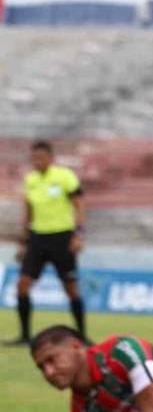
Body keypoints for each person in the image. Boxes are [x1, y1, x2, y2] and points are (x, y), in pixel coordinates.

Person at [9, 141, 86, 346]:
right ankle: (25, 336)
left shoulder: (64, 177)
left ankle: (82, 335)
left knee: (71, 287)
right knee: (22, 286)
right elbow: (28, 211)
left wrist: (78, 235)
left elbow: (78, 205)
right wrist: (23, 241)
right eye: (34, 158)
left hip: (62, 238)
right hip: (37, 238)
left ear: (50, 158)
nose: (37, 162)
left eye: (41, 158)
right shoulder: (31, 180)